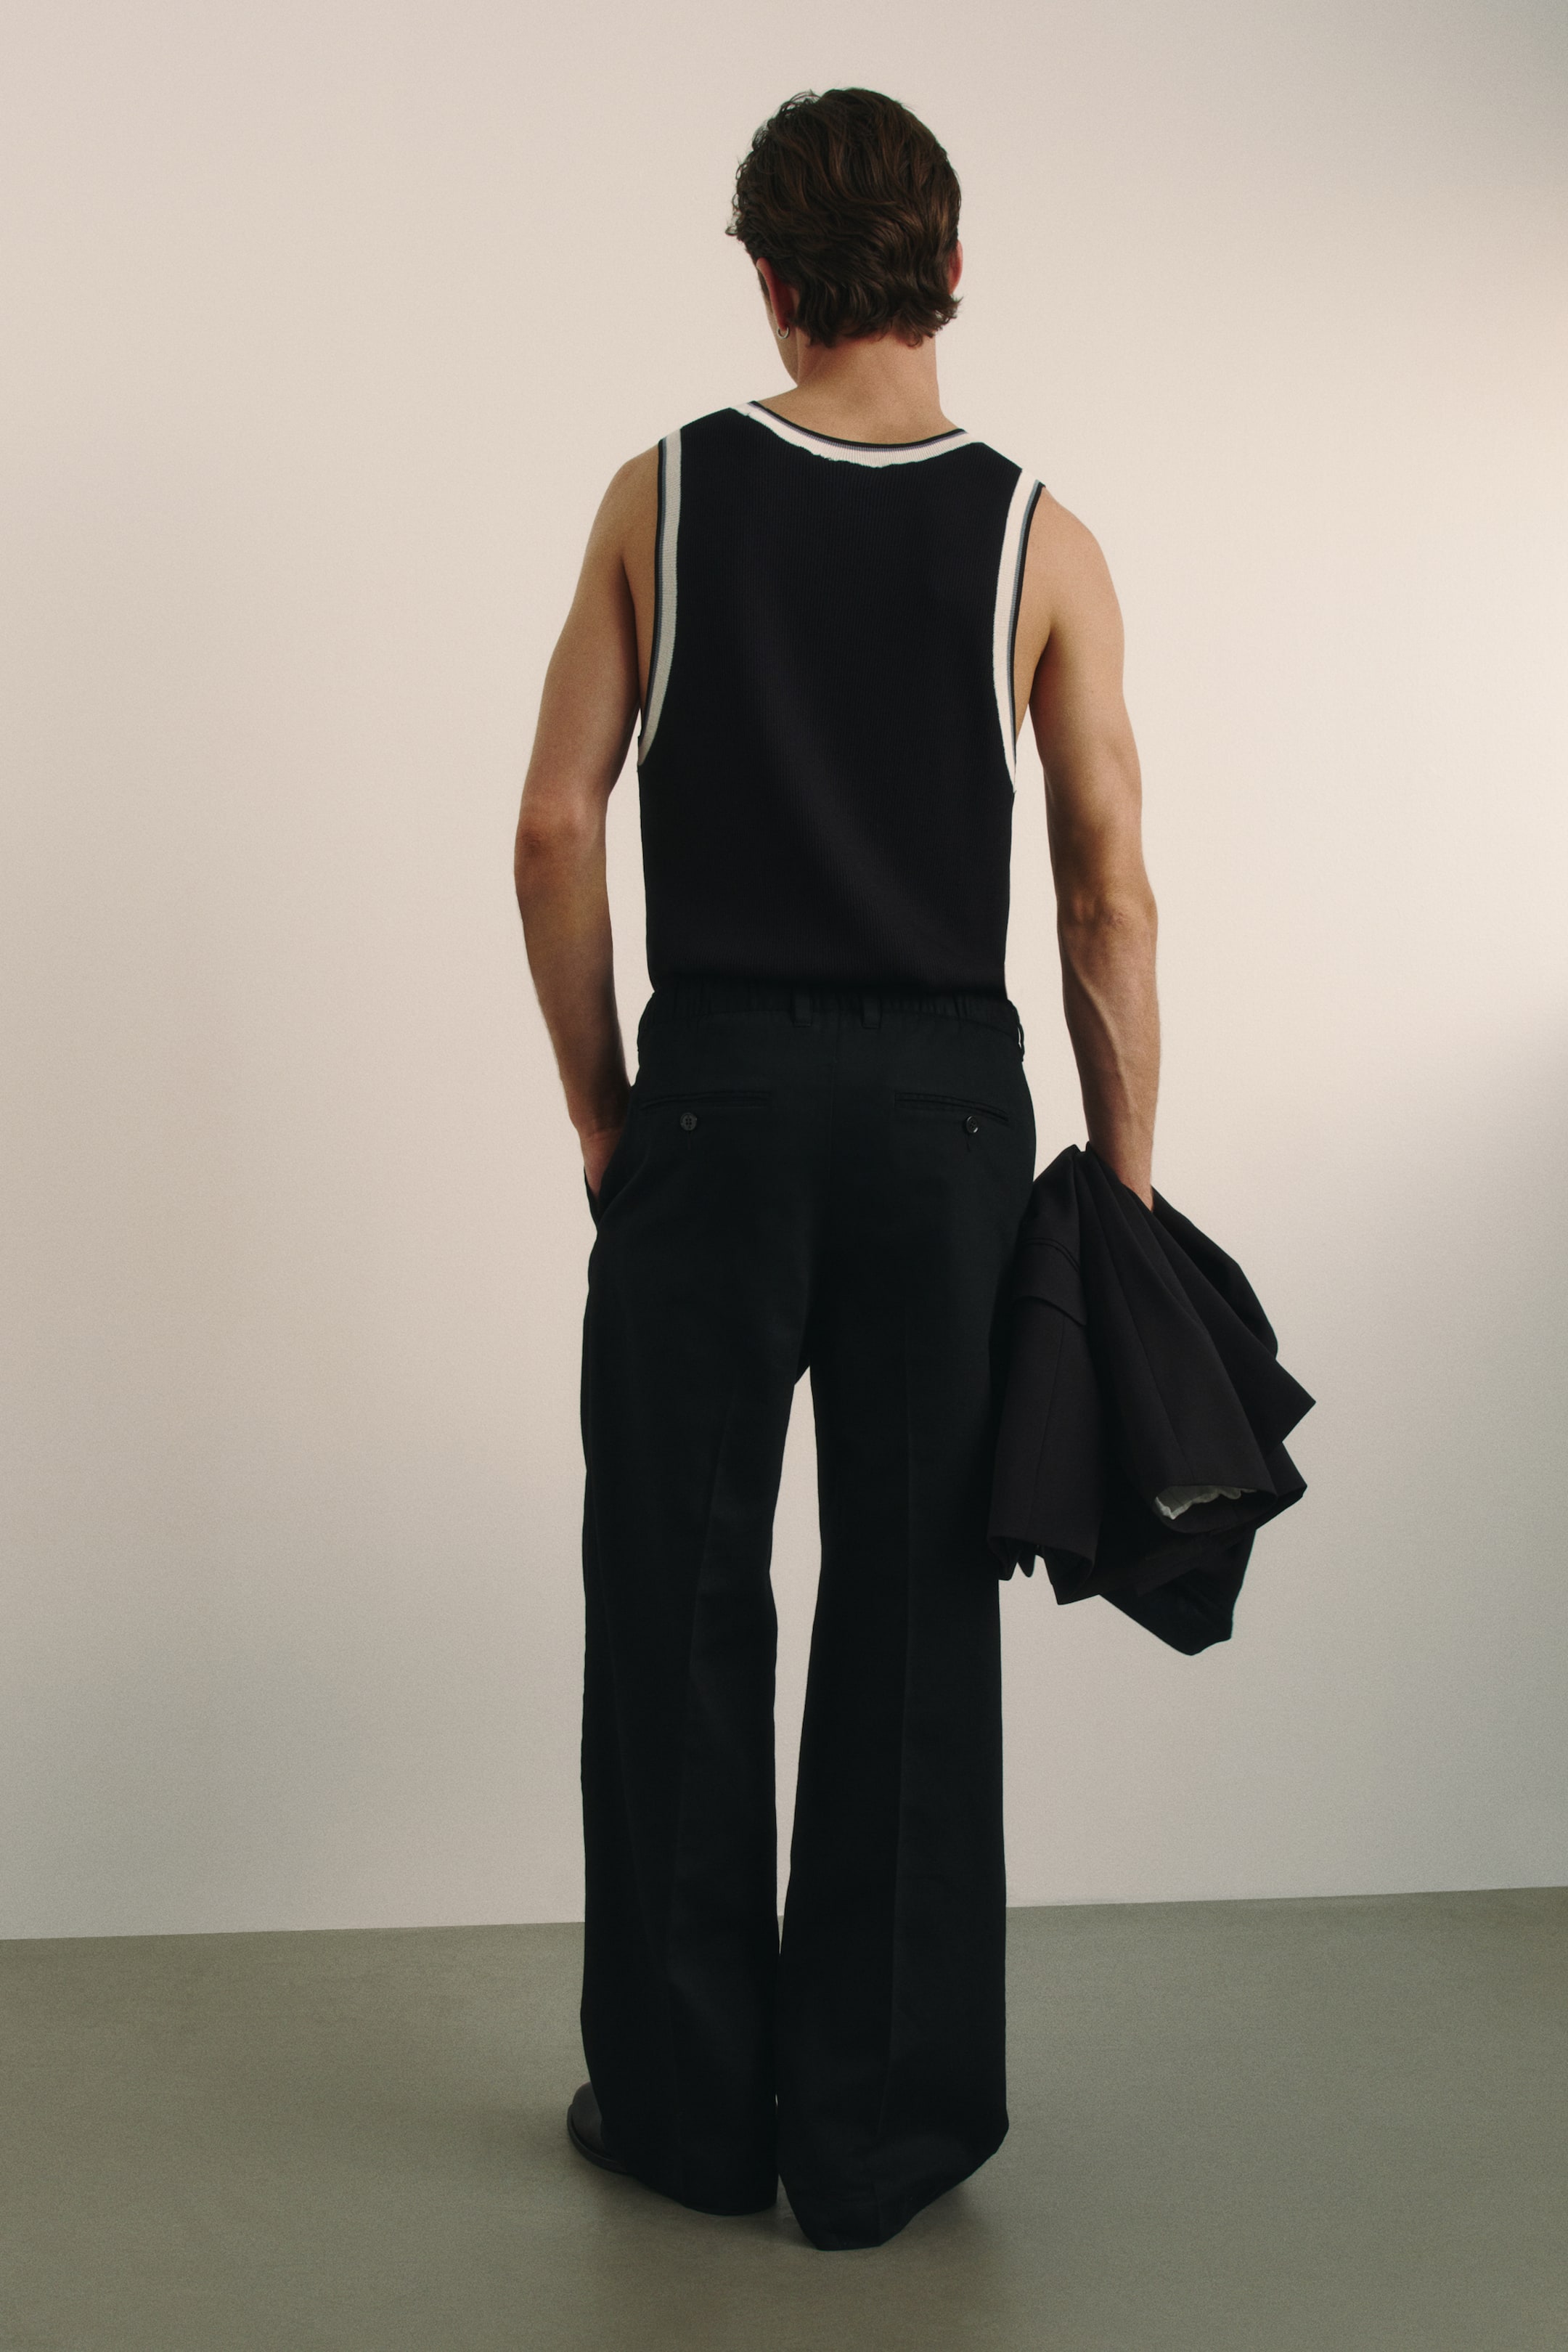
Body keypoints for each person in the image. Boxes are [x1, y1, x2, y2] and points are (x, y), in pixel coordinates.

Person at [513, 86, 1159, 2253]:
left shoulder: (662, 494)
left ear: (770, 283)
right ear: (951, 272)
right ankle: (874, 2146)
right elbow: (1106, 896)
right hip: (947, 1123)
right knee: (912, 1614)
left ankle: (685, 2113)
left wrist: (608, 1112)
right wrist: (1117, 1192)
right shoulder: (1043, 540)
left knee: (673, 1593)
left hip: (711, 1100)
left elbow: (551, 826)